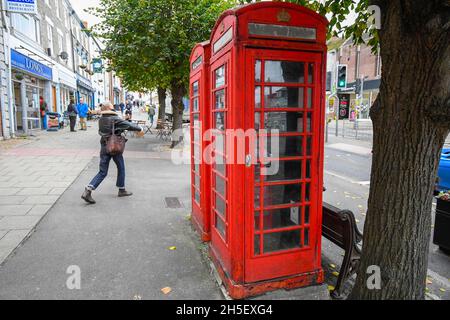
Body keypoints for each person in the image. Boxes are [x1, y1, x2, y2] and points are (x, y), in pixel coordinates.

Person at [82, 102, 144, 204]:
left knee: (102, 172)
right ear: (111, 110)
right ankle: (122, 190)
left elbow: (102, 132)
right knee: (121, 167)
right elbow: (129, 125)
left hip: (104, 146)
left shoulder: (101, 119)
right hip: (114, 147)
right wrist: (140, 128)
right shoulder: (115, 119)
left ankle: (88, 190)